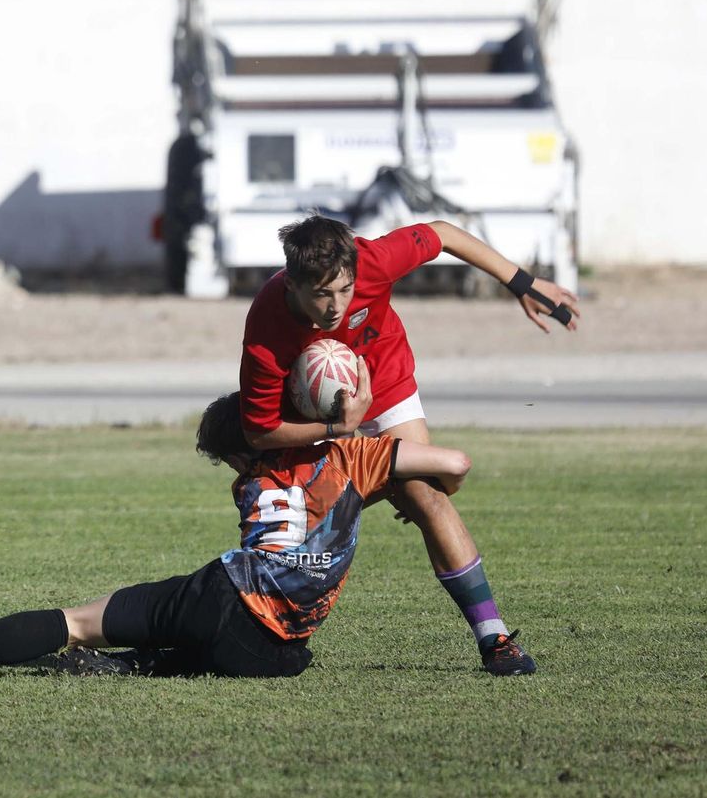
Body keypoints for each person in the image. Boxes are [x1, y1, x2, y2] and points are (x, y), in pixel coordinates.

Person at [0, 389, 498, 680]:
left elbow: (277, 459)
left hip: (225, 600)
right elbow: (455, 464)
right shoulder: (356, 459)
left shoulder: (251, 482)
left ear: (241, 456)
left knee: (76, 620)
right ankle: (140, 662)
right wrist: (380, 467)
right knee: (293, 653)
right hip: (278, 648)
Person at [239, 215, 574, 675]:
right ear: (292, 285)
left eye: (345, 289)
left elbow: (443, 233)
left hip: (386, 381)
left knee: (425, 494)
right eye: (321, 294)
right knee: (299, 523)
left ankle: (493, 638)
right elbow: (259, 430)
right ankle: (257, 630)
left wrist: (521, 282)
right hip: (313, 417)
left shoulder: (373, 260)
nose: (337, 306)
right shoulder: (266, 326)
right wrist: (338, 430)